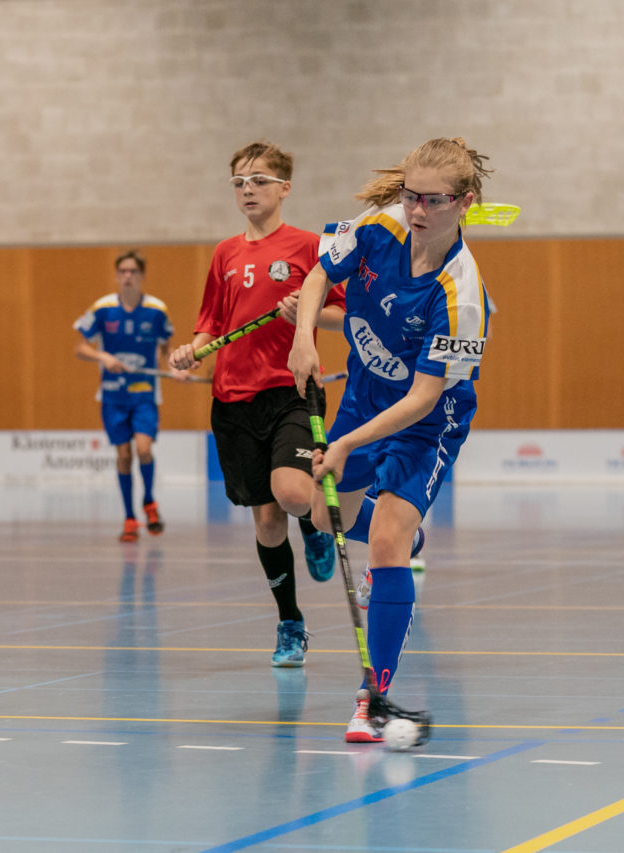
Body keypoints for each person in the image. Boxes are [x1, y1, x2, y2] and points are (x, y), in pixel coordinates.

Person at [288, 137, 494, 742]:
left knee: (383, 540)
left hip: (427, 423)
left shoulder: (462, 294)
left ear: (466, 203)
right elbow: (318, 277)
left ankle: (371, 697)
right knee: (327, 518)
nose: (417, 210)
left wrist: (349, 445)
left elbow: (423, 399)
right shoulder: (378, 227)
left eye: (433, 200)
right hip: (363, 395)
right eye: (411, 195)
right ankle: (403, 530)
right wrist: (305, 336)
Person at [168, 141, 343, 668]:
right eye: (240, 182)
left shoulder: (311, 246)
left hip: (291, 390)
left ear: (284, 187)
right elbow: (210, 324)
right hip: (233, 399)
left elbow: (342, 314)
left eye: (260, 180)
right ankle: (290, 622)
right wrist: (190, 352)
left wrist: (303, 314)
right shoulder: (225, 253)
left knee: (292, 494)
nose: (248, 189)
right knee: (266, 524)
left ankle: (312, 526)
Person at [75, 250, 181, 542]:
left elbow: (165, 348)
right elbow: (80, 348)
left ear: (142, 276)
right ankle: (129, 518)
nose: (127, 276)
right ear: (116, 275)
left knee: (143, 450)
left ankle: (149, 500)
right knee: (123, 457)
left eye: (133, 272)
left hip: (144, 394)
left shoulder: (157, 310)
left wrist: (175, 365)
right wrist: (102, 356)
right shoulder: (103, 308)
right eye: (122, 271)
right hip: (112, 397)